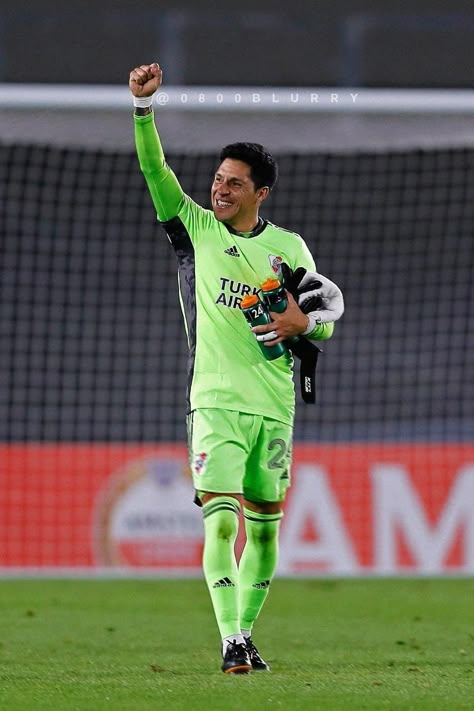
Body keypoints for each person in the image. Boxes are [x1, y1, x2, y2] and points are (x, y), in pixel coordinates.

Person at [129, 63, 337, 674]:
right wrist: (143, 110)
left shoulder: (290, 249)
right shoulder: (194, 229)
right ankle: (230, 643)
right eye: (217, 179)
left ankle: (244, 631)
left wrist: (310, 325)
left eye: (234, 184)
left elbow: (320, 315)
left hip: (274, 405)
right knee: (220, 525)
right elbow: (154, 171)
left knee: (266, 533)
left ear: (260, 193)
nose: (220, 190)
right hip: (215, 401)